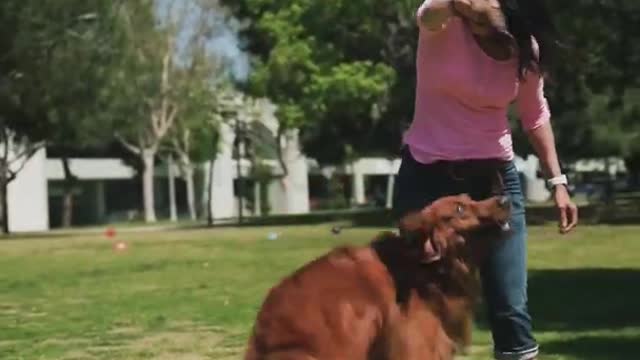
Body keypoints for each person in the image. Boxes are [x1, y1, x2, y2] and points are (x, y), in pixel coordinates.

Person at [393, 0, 579, 359]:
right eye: (476, 25)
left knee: (510, 307)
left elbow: (534, 115)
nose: (480, 33)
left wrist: (558, 182)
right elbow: (428, 13)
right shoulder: (442, 25)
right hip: (426, 177)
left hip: (494, 181)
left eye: (489, 29)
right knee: (419, 301)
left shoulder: (525, 49)